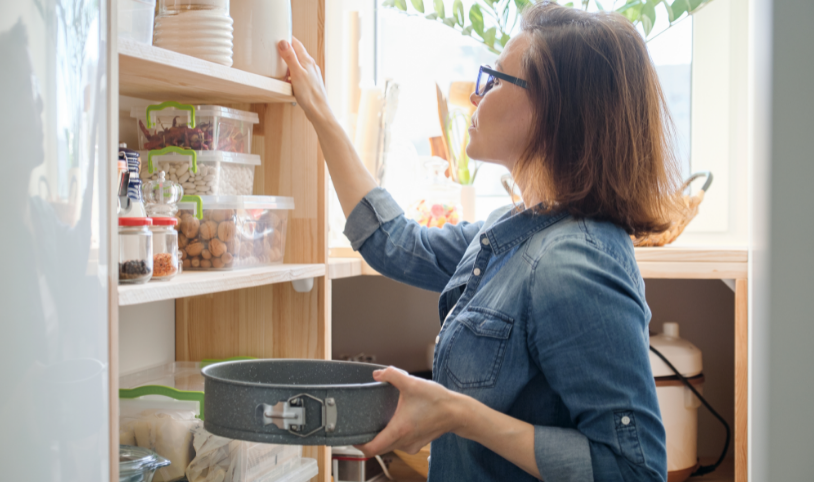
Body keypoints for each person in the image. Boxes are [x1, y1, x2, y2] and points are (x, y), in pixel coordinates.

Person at [278, 2, 679, 480]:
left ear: (551, 109)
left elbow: (635, 469)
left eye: (494, 80)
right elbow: (394, 242)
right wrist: (321, 112)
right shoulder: (512, 231)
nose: (475, 96)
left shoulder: (575, 262)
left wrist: (459, 415)